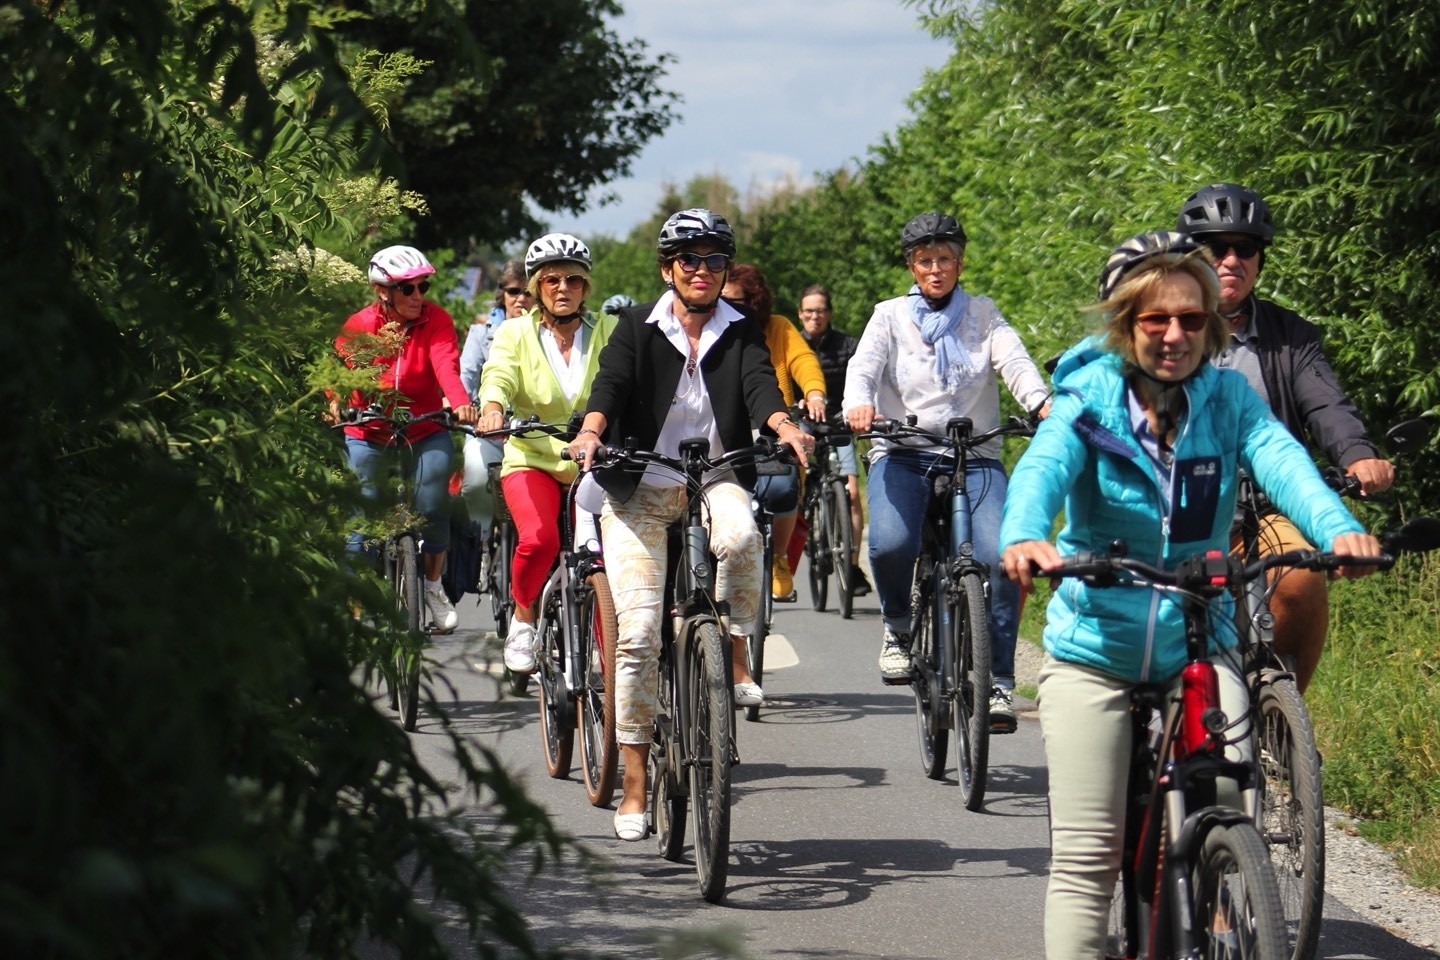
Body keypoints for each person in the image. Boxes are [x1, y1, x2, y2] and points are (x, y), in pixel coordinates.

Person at [998, 230, 1381, 960]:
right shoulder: (1087, 400)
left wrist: (1338, 530)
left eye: (1192, 319)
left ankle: (1220, 901)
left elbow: (1284, 461)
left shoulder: (1228, 398)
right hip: (1097, 646)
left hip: (1196, 636)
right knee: (1088, 858)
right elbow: (1040, 472)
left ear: (1212, 322)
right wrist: (1024, 536)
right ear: (1124, 322)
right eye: (1155, 320)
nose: (1175, 336)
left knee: (1233, 802)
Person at [567, 208, 814, 842]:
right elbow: (611, 387)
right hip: (642, 489)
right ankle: (635, 784)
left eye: (713, 261)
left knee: (743, 537)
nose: (702, 271)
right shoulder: (635, 328)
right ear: (668, 269)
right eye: (689, 260)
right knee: (641, 632)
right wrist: (592, 432)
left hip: (714, 479)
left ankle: (731, 652)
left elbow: (760, 386)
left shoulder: (742, 330)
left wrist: (783, 425)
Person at [1174, 182, 1394, 692]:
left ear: (1259, 261)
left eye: (1244, 248)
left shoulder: (1290, 335)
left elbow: (1325, 403)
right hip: (1178, 509)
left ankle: (1281, 720)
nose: (1231, 260)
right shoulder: (1164, 328)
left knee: (1301, 580)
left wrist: (1358, 455)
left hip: (1263, 506)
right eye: (1215, 248)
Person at [842, 211, 1050, 730]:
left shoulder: (983, 314)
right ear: (912, 266)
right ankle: (897, 627)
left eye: (946, 259)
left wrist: (1042, 402)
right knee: (890, 542)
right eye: (925, 260)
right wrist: (859, 404)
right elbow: (864, 367)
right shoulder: (889, 315)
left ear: (959, 263)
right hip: (904, 449)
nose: (936, 269)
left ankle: (999, 683)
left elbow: (1015, 363)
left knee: (1001, 559)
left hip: (974, 454)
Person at [476, 235, 617, 672]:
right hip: (532, 457)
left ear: (585, 288)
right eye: (552, 279)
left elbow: (626, 381)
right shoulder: (515, 332)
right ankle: (523, 616)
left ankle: (610, 647)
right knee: (539, 539)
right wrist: (494, 406)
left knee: (606, 554)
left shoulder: (609, 330)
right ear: (536, 287)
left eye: (573, 279)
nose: (563, 288)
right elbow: (497, 373)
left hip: (593, 462)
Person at [333, 244, 477, 632]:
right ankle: (355, 600)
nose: (418, 297)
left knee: (433, 503)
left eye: (422, 287)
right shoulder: (360, 325)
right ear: (384, 291)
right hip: (369, 430)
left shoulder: (437, 321)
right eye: (408, 289)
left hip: (425, 427)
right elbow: (345, 375)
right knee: (362, 515)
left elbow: (446, 365)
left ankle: (432, 587)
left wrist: (460, 402)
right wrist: (338, 401)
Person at [721, 262, 827, 602]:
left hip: (771, 425)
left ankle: (779, 556)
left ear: (755, 301)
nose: (729, 308)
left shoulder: (777, 327)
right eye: (724, 300)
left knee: (782, 489)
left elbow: (802, 359)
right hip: (724, 430)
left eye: (737, 301)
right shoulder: (709, 327)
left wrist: (813, 392)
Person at [798, 283, 871, 596]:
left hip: (839, 425)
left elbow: (862, 381)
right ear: (801, 314)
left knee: (852, 494)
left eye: (820, 310)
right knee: (793, 488)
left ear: (829, 313)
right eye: (809, 311)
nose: (815, 316)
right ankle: (805, 535)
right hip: (803, 427)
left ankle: (852, 566)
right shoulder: (792, 345)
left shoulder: (847, 346)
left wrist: (859, 408)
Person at [460, 261, 534, 543]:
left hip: (533, 435)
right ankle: (479, 543)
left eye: (528, 293)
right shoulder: (481, 334)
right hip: (488, 431)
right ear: (502, 293)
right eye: (514, 291)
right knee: (477, 479)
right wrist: (461, 407)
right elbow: (466, 377)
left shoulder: (546, 333)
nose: (521, 299)